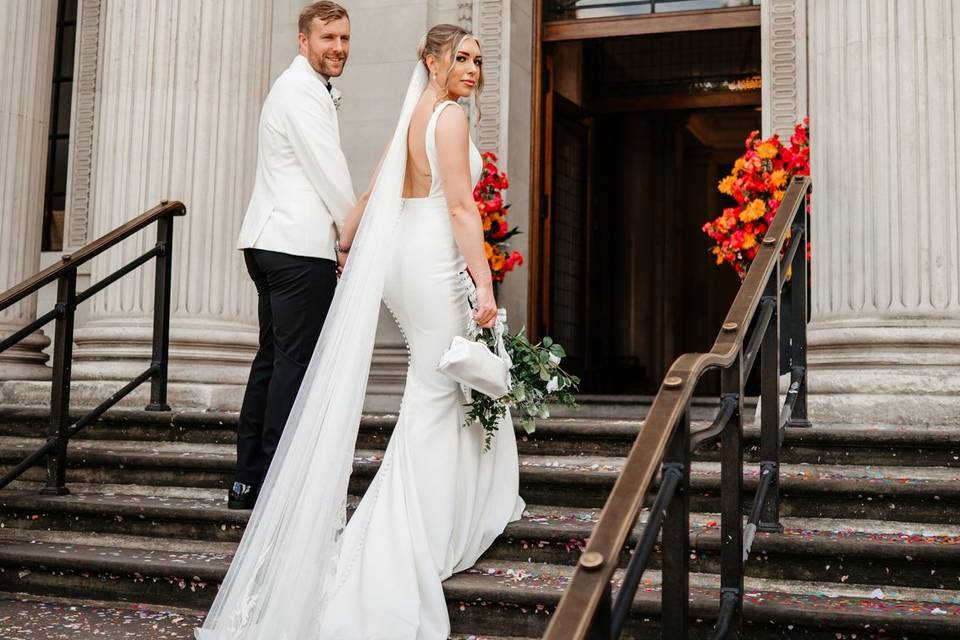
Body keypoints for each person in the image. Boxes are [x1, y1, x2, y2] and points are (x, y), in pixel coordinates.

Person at [197, 23, 524, 640]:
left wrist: (346, 240)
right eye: (461, 58)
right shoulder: (448, 118)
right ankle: (412, 530)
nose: (472, 70)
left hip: (400, 254)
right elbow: (460, 207)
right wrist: (483, 283)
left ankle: (436, 507)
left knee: (434, 386)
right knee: (441, 388)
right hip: (431, 259)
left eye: (478, 60)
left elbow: (377, 189)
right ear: (431, 61)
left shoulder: (413, 112)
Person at [230, 1, 359, 509]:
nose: (339, 48)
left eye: (345, 38)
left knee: (272, 361)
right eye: (328, 38)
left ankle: (249, 479)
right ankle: (277, 485)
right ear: (303, 41)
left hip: (269, 244)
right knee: (295, 364)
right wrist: (353, 238)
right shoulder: (302, 92)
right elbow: (330, 174)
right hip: (297, 249)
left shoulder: (299, 88)